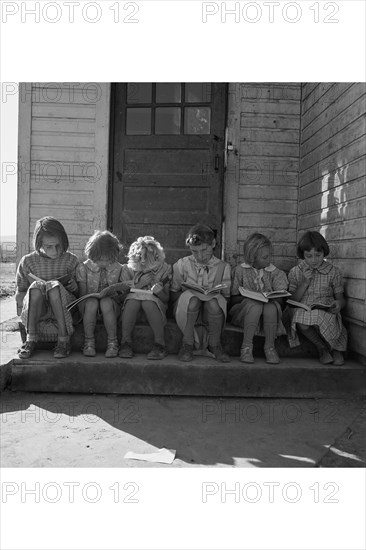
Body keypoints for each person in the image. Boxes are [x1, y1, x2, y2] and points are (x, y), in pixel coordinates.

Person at [16, 217, 79, 359]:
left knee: (53, 286)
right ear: (38, 244)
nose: (55, 251)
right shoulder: (27, 262)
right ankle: (30, 339)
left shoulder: (71, 260)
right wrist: (25, 299)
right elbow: (19, 293)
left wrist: (75, 287)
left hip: (63, 307)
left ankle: (63, 340)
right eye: (49, 246)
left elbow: (80, 294)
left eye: (58, 245)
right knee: (36, 286)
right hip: (39, 308)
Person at [171, 224, 231, 362]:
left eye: (204, 250)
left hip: (212, 312)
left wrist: (209, 296)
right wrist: (192, 292)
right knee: (193, 300)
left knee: (213, 302)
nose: (200, 256)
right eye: (194, 251)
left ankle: (214, 344)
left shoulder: (224, 267)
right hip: (187, 310)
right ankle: (187, 344)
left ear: (213, 244)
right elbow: (173, 294)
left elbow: (227, 298)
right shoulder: (182, 265)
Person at [287, 231, 347, 365]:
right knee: (301, 320)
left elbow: (341, 299)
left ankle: (336, 348)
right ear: (302, 255)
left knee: (322, 317)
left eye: (318, 255)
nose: (314, 260)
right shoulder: (296, 272)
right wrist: (304, 283)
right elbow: (291, 301)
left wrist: (338, 304)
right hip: (303, 309)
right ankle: (322, 348)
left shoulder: (333, 271)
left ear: (324, 252)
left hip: (326, 310)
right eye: (309, 256)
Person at [229, 233, 288, 364]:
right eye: (265, 257)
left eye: (270, 256)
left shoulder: (275, 273)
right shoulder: (239, 271)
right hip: (245, 313)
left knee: (270, 307)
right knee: (255, 305)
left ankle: (270, 347)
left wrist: (269, 299)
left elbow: (281, 300)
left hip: (269, 314)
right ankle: (246, 347)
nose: (269, 260)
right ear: (252, 257)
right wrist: (251, 298)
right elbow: (233, 299)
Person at [76, 230, 128, 358]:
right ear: (92, 255)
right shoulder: (83, 268)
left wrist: (117, 294)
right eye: (100, 259)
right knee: (92, 302)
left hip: (111, 309)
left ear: (114, 256)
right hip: (88, 309)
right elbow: (82, 295)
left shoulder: (120, 268)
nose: (104, 263)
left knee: (105, 302)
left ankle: (112, 342)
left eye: (108, 260)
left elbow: (123, 295)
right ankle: (89, 341)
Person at [119, 236, 172, 360]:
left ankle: (160, 344)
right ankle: (125, 343)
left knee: (147, 302)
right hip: (132, 312)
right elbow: (121, 297)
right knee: (132, 300)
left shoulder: (164, 269)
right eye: (140, 260)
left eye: (148, 261)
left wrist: (159, 292)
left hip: (155, 310)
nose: (144, 264)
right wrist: (139, 285)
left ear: (156, 257)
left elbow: (166, 299)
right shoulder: (127, 269)